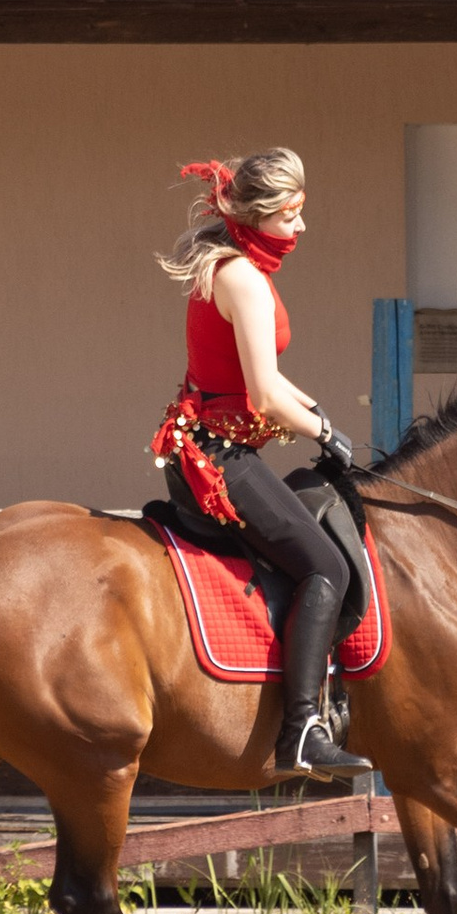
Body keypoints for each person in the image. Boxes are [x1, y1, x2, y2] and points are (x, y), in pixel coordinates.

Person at [150, 149, 366, 780]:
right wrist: (324, 430)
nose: (300, 229)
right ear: (260, 215)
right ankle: (302, 730)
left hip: (211, 447)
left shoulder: (234, 267)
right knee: (325, 565)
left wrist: (320, 414)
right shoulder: (241, 276)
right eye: (291, 216)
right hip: (219, 463)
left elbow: (264, 381)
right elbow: (264, 396)